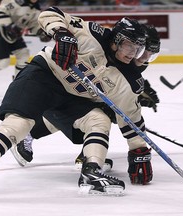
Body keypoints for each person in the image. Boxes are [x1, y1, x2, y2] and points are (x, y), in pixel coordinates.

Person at [0, 7, 155, 200]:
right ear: (116, 40)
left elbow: (130, 118)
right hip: (43, 75)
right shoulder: (92, 33)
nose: (132, 53)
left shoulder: (128, 78)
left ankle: (91, 172)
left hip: (73, 98)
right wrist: (62, 34)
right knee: (19, 123)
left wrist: (139, 151)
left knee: (99, 119)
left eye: (137, 48)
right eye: (129, 45)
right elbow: (50, 14)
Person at [11, 24, 161, 176]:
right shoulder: (114, 49)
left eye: (150, 55)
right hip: (64, 87)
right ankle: (83, 155)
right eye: (143, 53)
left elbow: (122, 81)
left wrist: (139, 92)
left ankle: (85, 153)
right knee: (97, 114)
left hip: (85, 92)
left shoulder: (134, 59)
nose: (144, 59)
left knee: (100, 113)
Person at [0, 0, 51, 89]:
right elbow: (0, 11)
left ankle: (18, 82)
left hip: (12, 32)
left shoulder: (36, 8)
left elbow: (33, 24)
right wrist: (9, 26)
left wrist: (40, 32)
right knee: (3, 62)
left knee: (23, 54)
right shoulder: (15, 1)